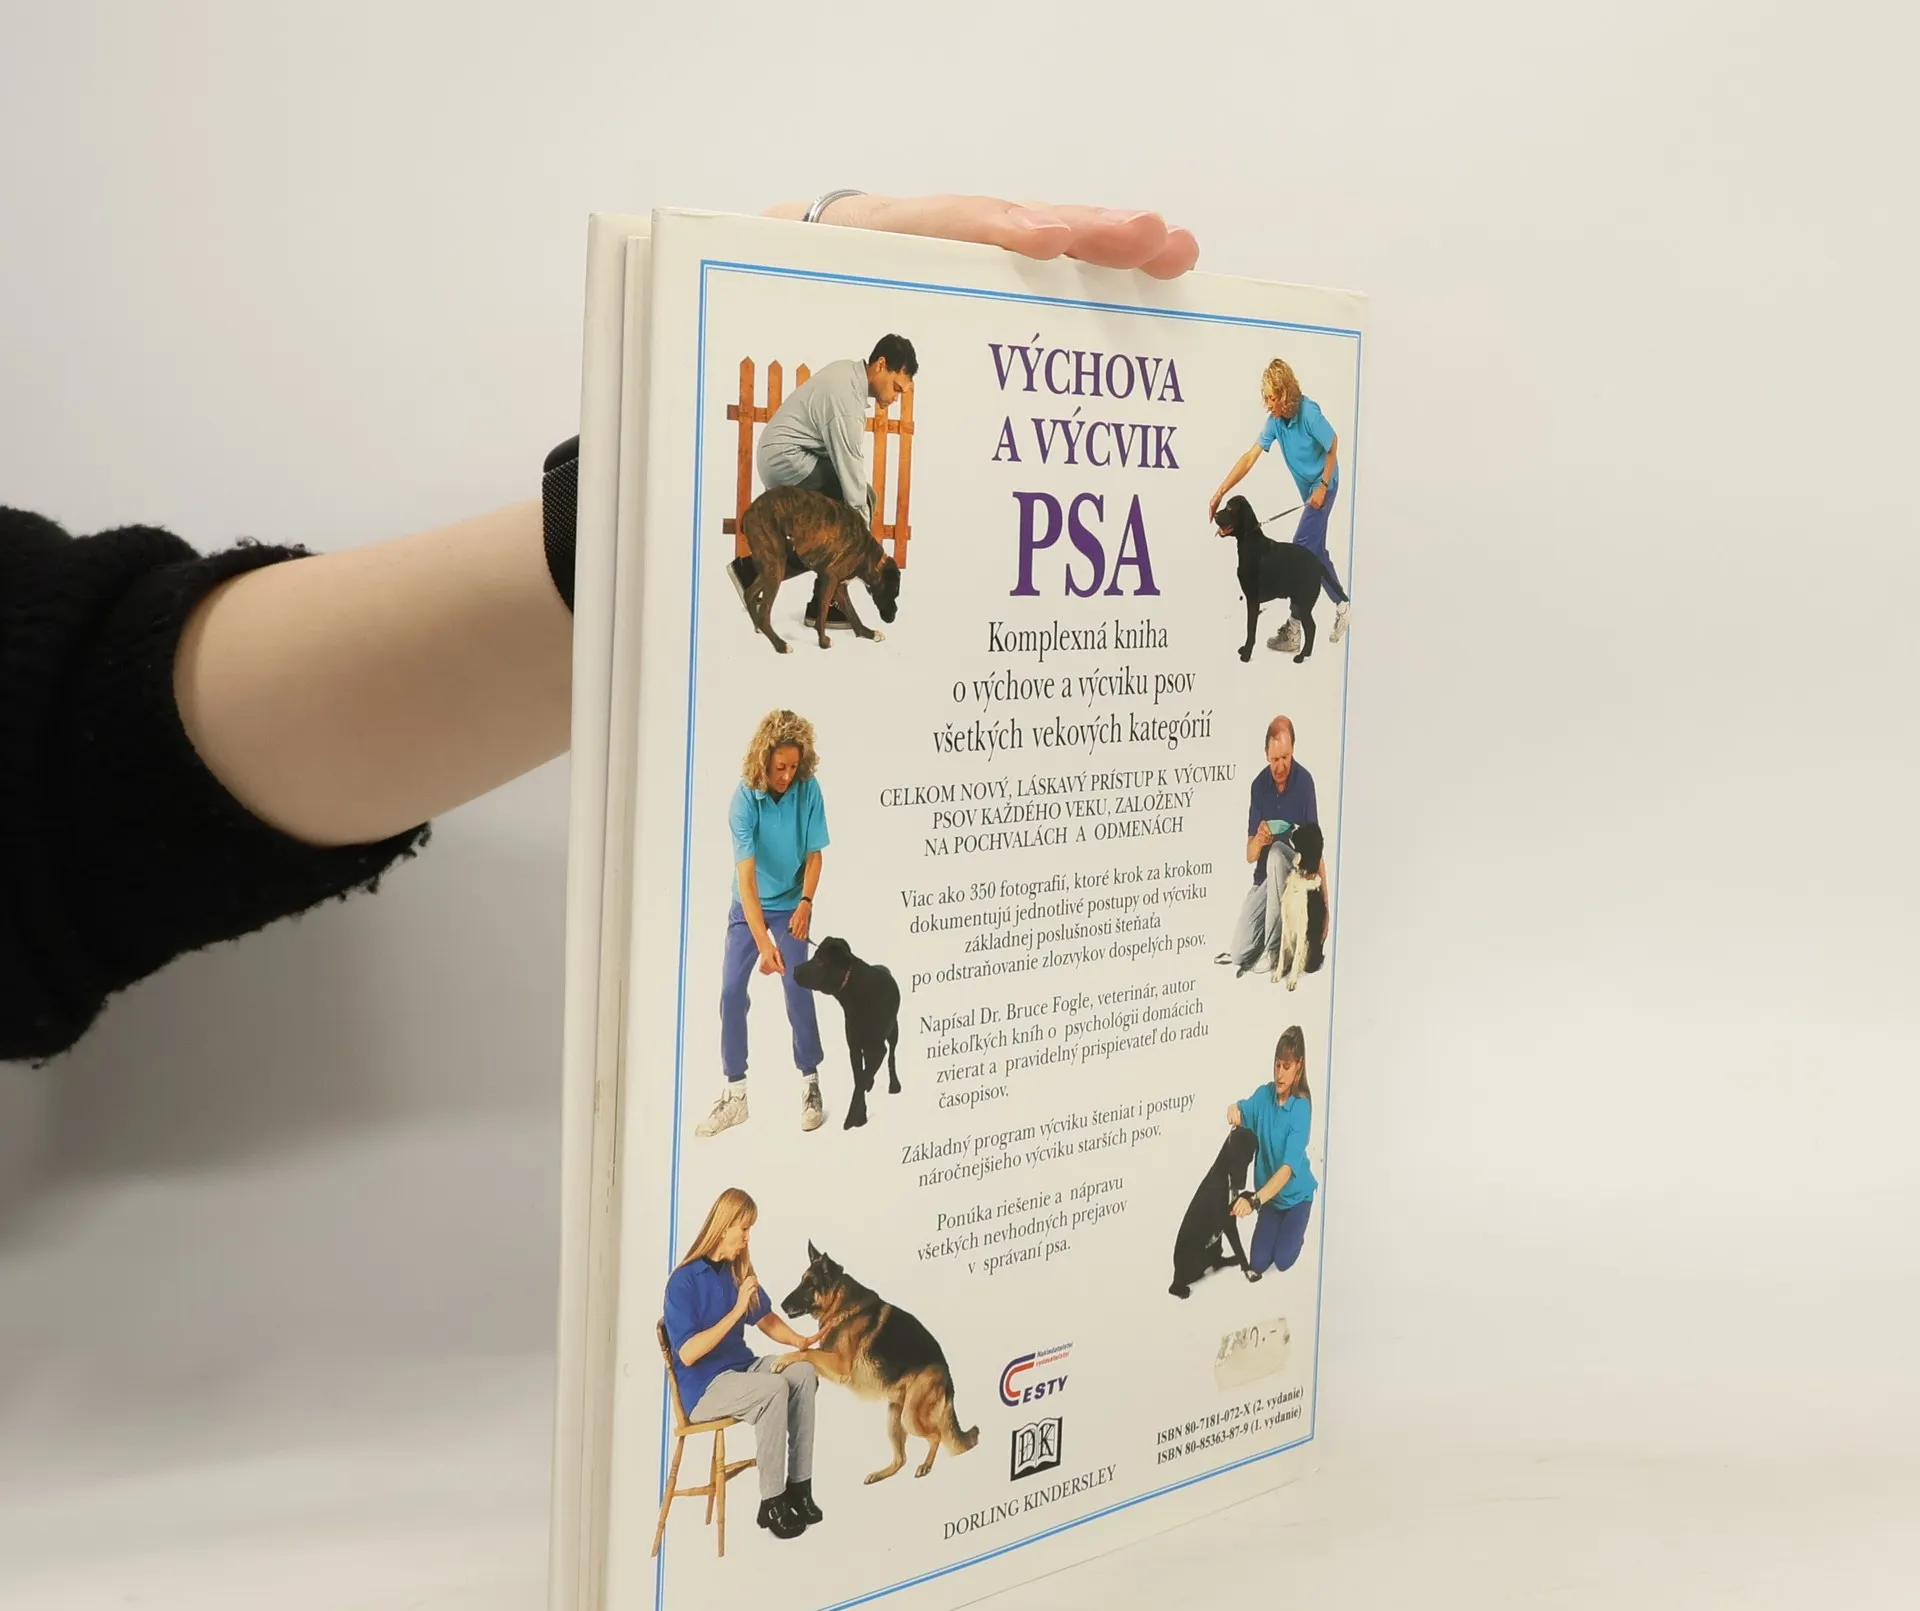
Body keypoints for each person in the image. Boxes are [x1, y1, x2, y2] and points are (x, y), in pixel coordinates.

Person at [0, 193, 1198, 1065]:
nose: (894, 401)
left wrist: (617, 512)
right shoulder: (841, 393)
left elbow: (70, 762)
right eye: (899, 387)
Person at [695, 709, 830, 1137]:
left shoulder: (808, 790)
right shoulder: (743, 801)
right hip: (748, 906)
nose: (787, 776)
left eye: (793, 767)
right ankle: (735, 1095)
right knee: (731, 991)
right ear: (763, 760)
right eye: (779, 767)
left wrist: (805, 903)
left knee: (797, 986)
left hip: (792, 904)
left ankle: (811, 1083)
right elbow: (747, 881)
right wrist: (763, 944)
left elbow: (815, 855)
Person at [662, 1188, 822, 1543]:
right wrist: (736, 1311)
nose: (748, 1237)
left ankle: (799, 1487)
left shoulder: (736, 1271)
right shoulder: (683, 1281)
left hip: (742, 1369)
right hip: (704, 1388)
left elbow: (766, 1318)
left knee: (802, 1371)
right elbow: (687, 1353)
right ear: (724, 1226)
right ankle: (772, 1502)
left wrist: (799, 1341)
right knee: (773, 1388)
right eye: (744, 1228)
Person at [727, 334, 916, 629]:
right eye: (896, 387)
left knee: (864, 500)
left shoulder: (847, 374)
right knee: (850, 517)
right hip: (786, 458)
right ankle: (812, 600)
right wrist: (862, 542)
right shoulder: (846, 401)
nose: (895, 397)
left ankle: (756, 574)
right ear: (880, 365)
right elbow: (850, 468)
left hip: (787, 453)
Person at [1207, 357, 1352, 652]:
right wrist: (1220, 492)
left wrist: (1323, 485)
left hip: (1324, 485)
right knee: (1316, 553)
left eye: (1272, 398)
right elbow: (1250, 457)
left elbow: (1333, 443)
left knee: (1301, 548)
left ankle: (1294, 630)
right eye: (1266, 398)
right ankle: (1343, 606)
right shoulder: (1275, 421)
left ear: (1285, 393)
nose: (1269, 404)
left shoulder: (1308, 413)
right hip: (1309, 492)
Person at [1213, 714, 1332, 976]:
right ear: (1266, 754)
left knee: (1278, 853)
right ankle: (1266, 939)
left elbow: (1316, 846)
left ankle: (1274, 950)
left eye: (1285, 758)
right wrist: (1258, 839)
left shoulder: (1304, 783)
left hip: (1294, 876)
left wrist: (1325, 907)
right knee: (1239, 951)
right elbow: (1250, 855)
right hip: (1266, 880)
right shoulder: (1259, 786)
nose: (1280, 766)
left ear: (1293, 750)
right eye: (1275, 759)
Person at [1224, 1026, 1319, 1279]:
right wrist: (1233, 1109)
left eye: (1286, 1067)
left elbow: (1287, 1171)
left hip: (1295, 1197)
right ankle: (1275, 1224)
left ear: (1299, 1066)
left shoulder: (1301, 1109)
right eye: (1277, 1065)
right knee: (1258, 1262)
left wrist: (1254, 1201)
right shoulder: (1263, 1095)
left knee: (1284, 1260)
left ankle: (1296, 1224)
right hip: (1270, 1200)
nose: (1279, 1074)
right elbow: (1241, 1109)